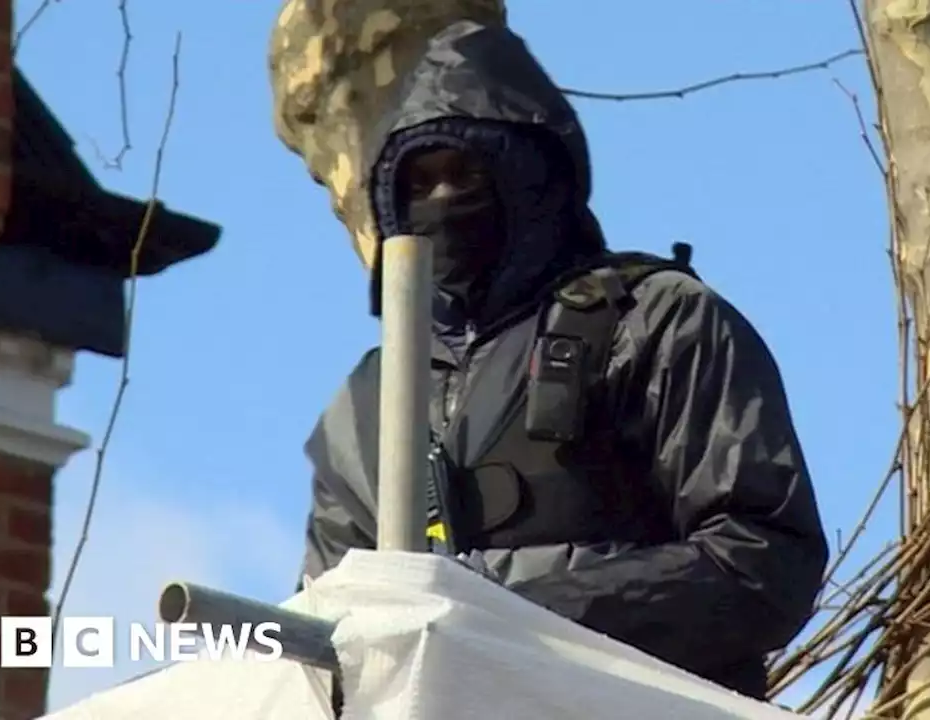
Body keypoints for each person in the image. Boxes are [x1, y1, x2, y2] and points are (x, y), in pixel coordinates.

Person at [288, 19, 828, 699]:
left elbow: (763, 562)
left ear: (532, 178)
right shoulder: (370, 399)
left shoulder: (654, 321)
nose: (443, 201)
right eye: (419, 184)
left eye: (467, 175)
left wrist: (519, 620)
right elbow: (320, 637)